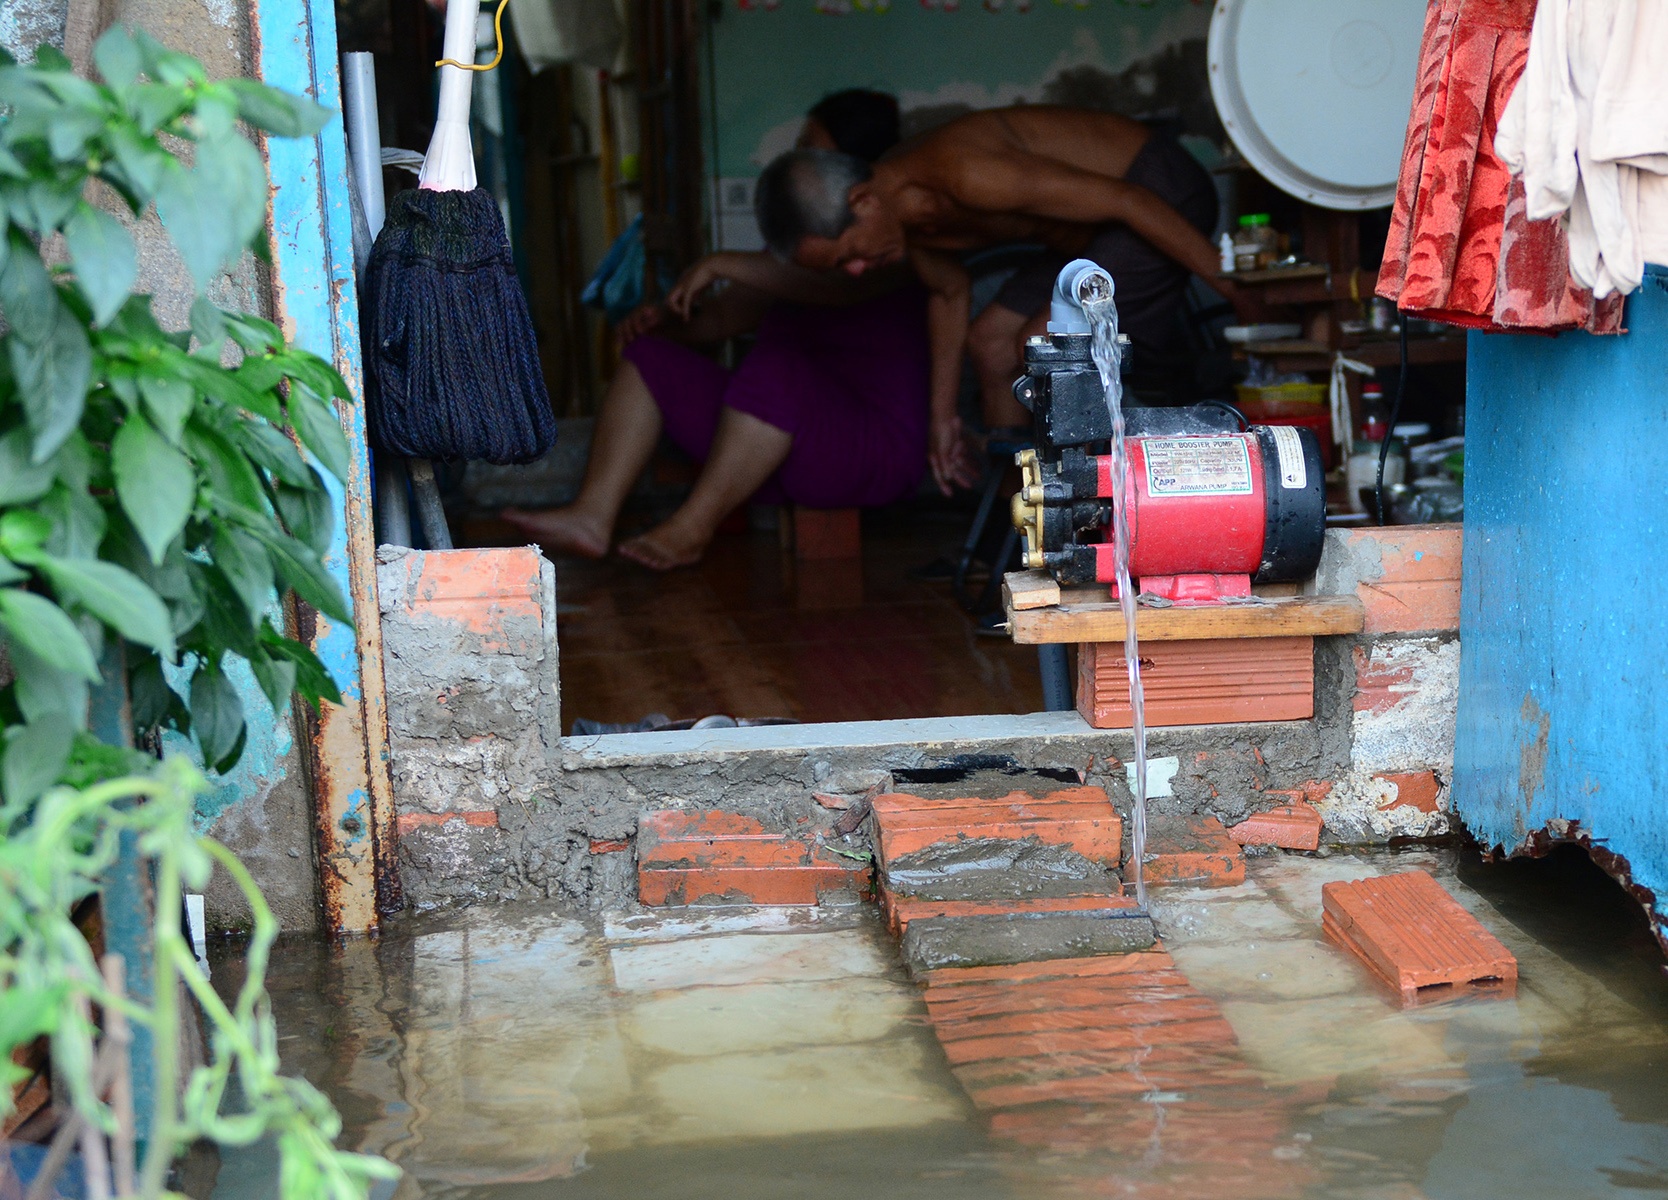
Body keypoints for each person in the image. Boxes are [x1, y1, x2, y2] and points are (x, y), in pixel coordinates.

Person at [503, 90, 929, 571]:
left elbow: (834, 289)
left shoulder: (890, 247)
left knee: (776, 369)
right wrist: (666, 322)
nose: (798, 158)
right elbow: (725, 320)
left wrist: (720, 263)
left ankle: (691, 529)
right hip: (774, 450)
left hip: (867, 452)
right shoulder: (799, 249)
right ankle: (592, 517)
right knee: (652, 356)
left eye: (813, 148)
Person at [753, 106, 1264, 494]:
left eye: (848, 256)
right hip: (1092, 235)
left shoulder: (965, 174)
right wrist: (942, 420)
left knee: (1042, 343)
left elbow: (1129, 201)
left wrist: (1237, 290)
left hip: (1159, 195)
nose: (857, 272)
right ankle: (1021, 533)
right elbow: (949, 291)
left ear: (863, 202)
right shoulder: (903, 220)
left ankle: (1097, 516)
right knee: (992, 343)